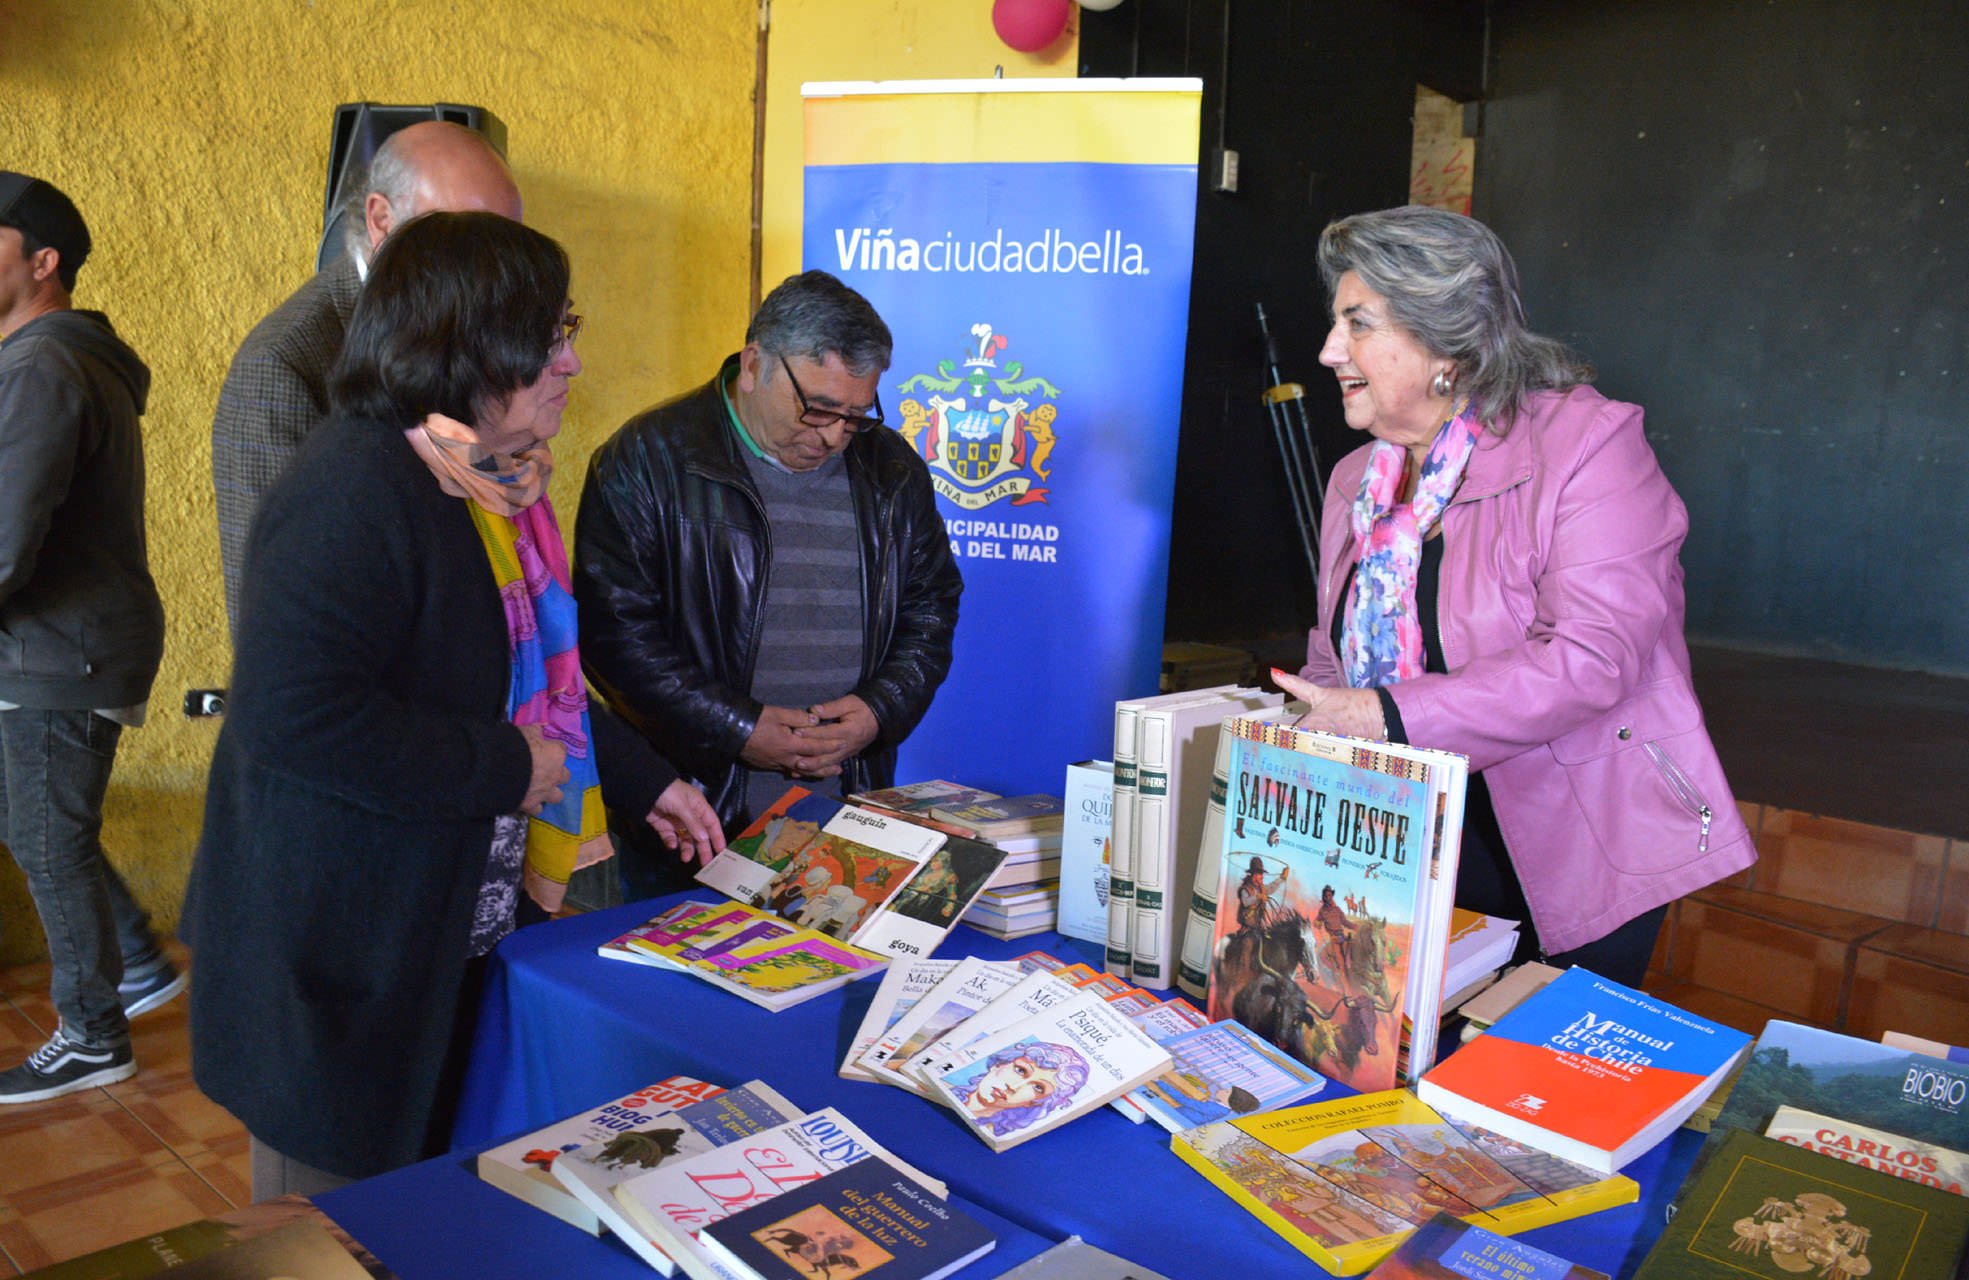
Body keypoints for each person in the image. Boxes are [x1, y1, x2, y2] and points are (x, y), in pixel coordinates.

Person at [184, 212, 722, 1196]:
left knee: (434, 1208)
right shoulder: (353, 487)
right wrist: (509, 768)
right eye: (549, 333)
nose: (570, 360)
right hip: (344, 960)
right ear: (467, 343)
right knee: (337, 1230)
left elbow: (524, 684)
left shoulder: (488, 484)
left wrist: (644, 778)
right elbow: (293, 719)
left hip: (441, 932)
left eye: (569, 328)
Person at [1276, 205, 1754, 987]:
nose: (1330, 351)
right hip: (1403, 843)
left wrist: (1388, 715)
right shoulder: (1353, 481)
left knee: (1526, 1090)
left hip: (1575, 841)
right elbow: (1331, 657)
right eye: (1335, 325)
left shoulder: (1588, 446)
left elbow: (1592, 658)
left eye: (1356, 325)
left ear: (1443, 343)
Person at [575, 270, 963, 880]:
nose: (836, 435)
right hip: (695, 820)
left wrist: (878, 711)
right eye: (819, 408)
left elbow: (932, 607)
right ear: (754, 364)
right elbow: (613, 639)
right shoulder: (647, 460)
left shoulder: (892, 470)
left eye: (858, 414)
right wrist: (738, 729)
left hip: (849, 814)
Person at [0, 172, 184, 1104]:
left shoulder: (42, 365)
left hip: (58, 647)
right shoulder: (48, 360)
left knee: (45, 837)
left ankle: (91, 1033)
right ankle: (139, 965)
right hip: (63, 641)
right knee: (38, 825)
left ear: (43, 262)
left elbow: (4, 538)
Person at [211, 120, 522, 629]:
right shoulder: (284, 365)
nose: (498, 271)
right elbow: (277, 625)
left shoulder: (469, 331)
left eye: (509, 242)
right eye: (466, 237)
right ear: (381, 218)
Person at [954, 1040, 1090, 1138]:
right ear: (999, 1063)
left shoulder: (995, 1135)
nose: (1013, 1087)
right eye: (1020, 1070)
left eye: (1038, 1087)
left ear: (1036, 1102)